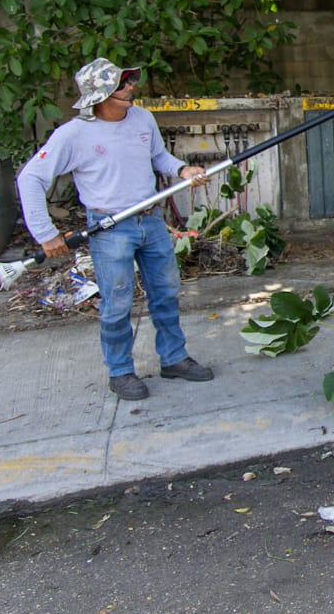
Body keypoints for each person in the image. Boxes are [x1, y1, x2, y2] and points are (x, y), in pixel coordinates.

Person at [17, 58, 213, 402]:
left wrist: (182, 170)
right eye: (123, 84)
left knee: (166, 293)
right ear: (100, 95)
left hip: (150, 220)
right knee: (117, 302)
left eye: (130, 81)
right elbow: (30, 177)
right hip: (109, 227)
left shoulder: (142, 118)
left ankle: (174, 358)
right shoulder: (74, 134)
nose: (131, 88)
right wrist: (45, 233)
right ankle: (120, 371)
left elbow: (159, 157)